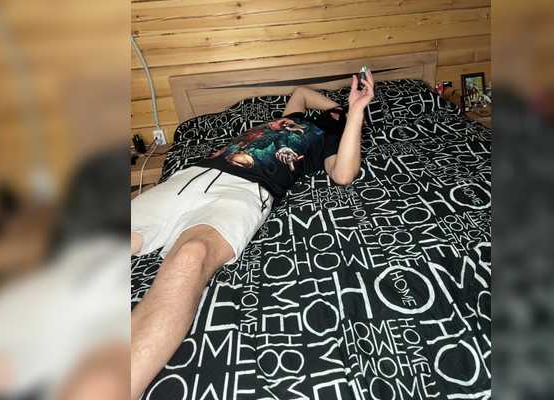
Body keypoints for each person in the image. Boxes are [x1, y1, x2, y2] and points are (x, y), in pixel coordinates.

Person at [130, 70, 375, 399]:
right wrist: (336, 105)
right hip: (192, 176)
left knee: (190, 257)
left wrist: (354, 114)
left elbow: (343, 175)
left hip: (247, 189)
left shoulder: (331, 140)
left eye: (342, 118)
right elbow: (301, 90)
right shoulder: (294, 118)